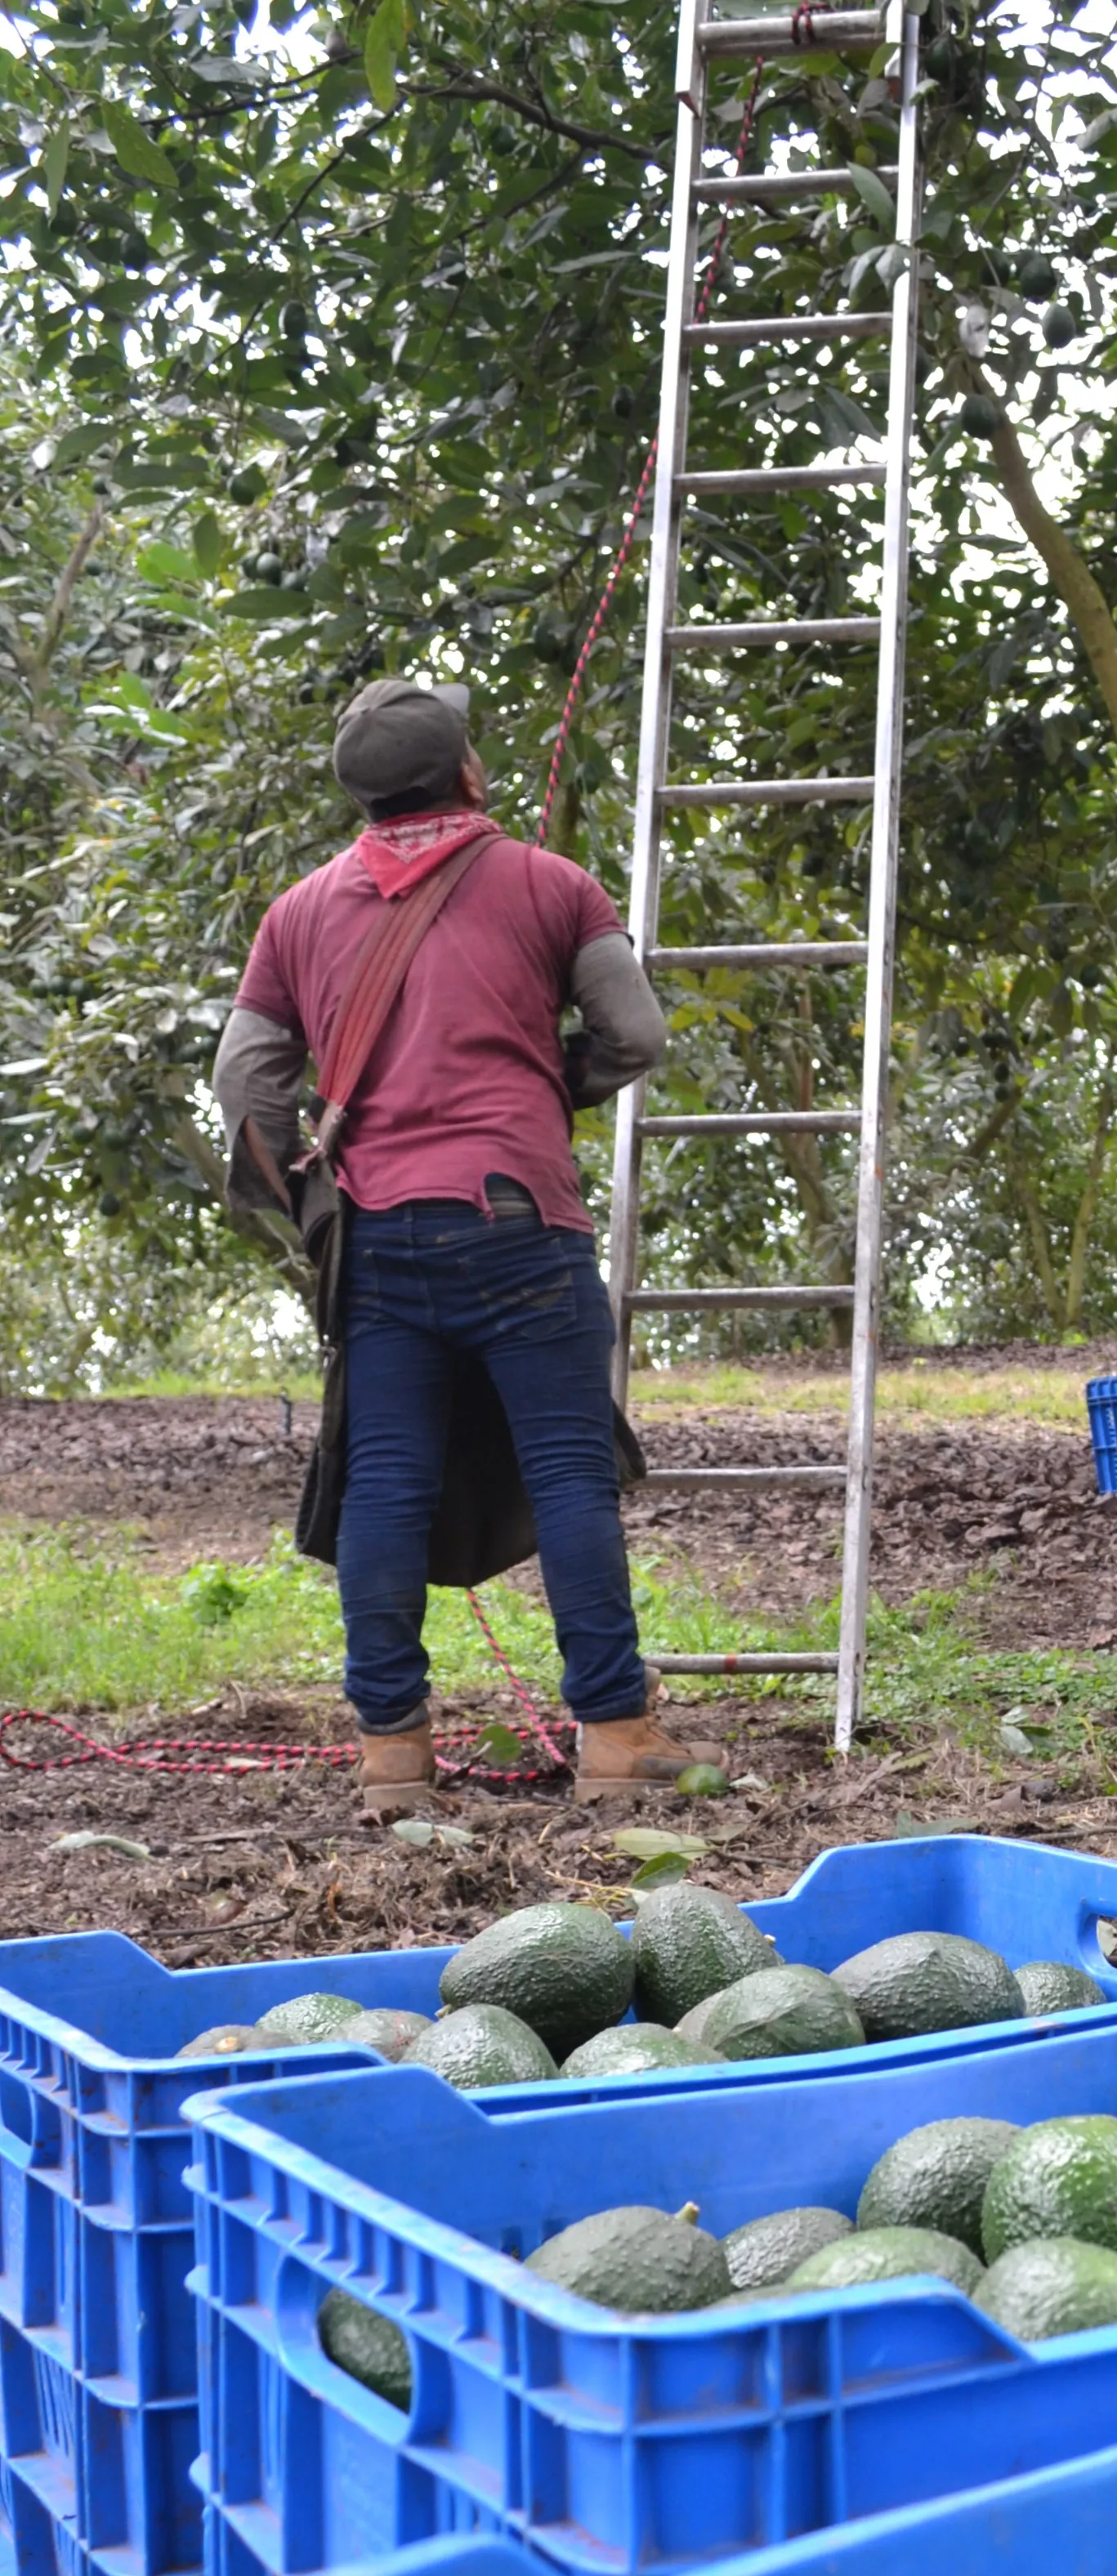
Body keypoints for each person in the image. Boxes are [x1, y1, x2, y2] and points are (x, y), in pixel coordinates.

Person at [213, 676, 715, 1814]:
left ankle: (393, 1752)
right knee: (570, 1473)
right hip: (519, 1221)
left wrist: (299, 1185)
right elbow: (636, 1033)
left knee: (383, 1484)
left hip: (379, 1237)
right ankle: (615, 1734)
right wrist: (550, 1083)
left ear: (361, 797)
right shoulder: (552, 884)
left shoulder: (296, 914)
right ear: (471, 775)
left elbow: (245, 1080)